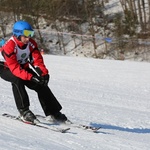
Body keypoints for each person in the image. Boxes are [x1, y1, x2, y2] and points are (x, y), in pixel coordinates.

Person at [0, 20, 67, 124]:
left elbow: (36, 60)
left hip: (22, 67)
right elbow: (15, 69)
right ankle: (24, 111)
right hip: (5, 68)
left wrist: (43, 74)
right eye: (26, 35)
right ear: (18, 34)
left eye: (30, 34)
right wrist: (31, 77)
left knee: (41, 84)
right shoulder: (9, 46)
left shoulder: (30, 44)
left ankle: (53, 112)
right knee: (17, 80)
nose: (28, 38)